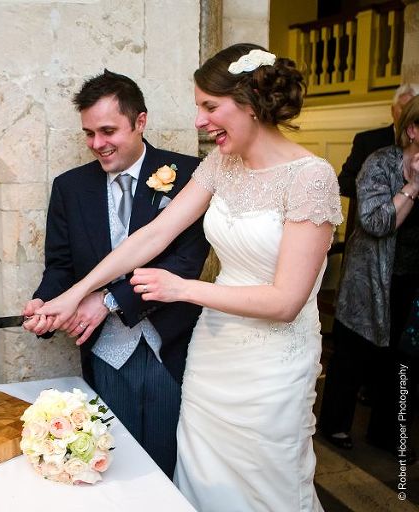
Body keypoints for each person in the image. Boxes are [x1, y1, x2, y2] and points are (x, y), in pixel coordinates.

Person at [36, 44, 342, 511]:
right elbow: (153, 235)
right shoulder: (222, 164)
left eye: (209, 106)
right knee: (199, 473)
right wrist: (74, 294)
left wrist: (181, 288)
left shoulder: (312, 178)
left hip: (272, 362)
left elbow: (286, 300)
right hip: (212, 351)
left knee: (265, 479)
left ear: (251, 101)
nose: (199, 120)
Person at [22, 70, 210, 478]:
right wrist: (47, 302)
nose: (97, 144)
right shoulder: (70, 188)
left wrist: (106, 301)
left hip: (170, 346)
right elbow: (60, 265)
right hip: (105, 354)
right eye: (89, 133)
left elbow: (183, 263)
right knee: (113, 464)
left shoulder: (191, 175)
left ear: (140, 121)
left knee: (165, 464)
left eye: (108, 131)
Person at [319, 96, 419, 463]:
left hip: (411, 280)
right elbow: (376, 223)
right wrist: (412, 187)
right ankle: (335, 424)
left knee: (403, 360)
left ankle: (387, 431)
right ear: (412, 130)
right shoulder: (380, 163)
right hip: (369, 277)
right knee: (352, 354)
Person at [338, 84, 418, 199]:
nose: (408, 115)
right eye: (404, 108)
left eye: (412, 111)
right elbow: (344, 182)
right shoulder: (367, 141)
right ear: (392, 110)